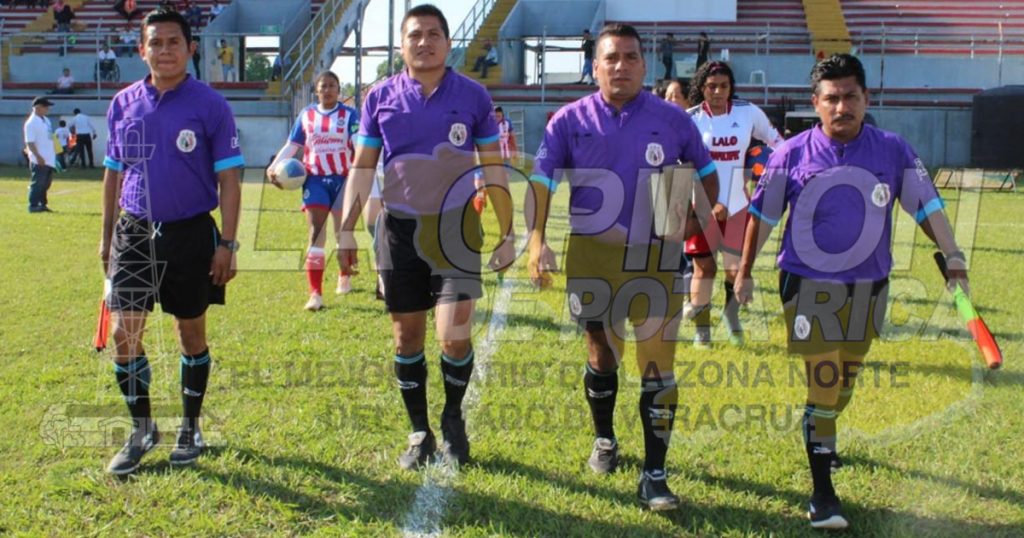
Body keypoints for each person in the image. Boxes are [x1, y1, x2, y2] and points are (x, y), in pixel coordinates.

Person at [735, 54, 968, 530]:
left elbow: (928, 205)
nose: (842, 106)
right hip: (806, 284)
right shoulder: (791, 154)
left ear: (865, 99)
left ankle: (826, 430)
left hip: (870, 283)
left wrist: (954, 254)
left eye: (851, 97)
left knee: (845, 380)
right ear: (816, 104)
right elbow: (761, 219)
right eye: (832, 98)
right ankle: (823, 494)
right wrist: (743, 273)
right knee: (822, 381)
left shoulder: (894, 150)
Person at [527, 23, 719, 511]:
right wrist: (535, 240)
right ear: (595, 67)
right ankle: (606, 438)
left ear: (644, 65)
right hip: (592, 256)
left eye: (631, 57)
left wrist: (685, 218)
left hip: (655, 257)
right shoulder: (567, 121)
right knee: (602, 355)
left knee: (658, 365)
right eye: (611, 58)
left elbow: (708, 176)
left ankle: (655, 473)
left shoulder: (673, 120)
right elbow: (542, 182)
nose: (621, 66)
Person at [338, 3, 516, 470]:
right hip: (398, 230)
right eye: (415, 34)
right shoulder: (378, 98)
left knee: (454, 337)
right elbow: (362, 168)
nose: (424, 41)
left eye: (433, 33)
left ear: (447, 42)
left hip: (457, 229)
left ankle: (453, 420)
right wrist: (345, 231)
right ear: (402, 45)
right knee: (406, 338)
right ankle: (420, 431)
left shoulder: (474, 97)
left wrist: (508, 232)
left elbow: (493, 167)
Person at [99, 8, 244, 475]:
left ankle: (190, 425)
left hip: (191, 234)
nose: (164, 51)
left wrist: (229, 243)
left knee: (191, 333)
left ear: (190, 49)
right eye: (155, 43)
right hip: (135, 233)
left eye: (173, 43)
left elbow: (231, 182)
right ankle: (142, 429)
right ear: (141, 49)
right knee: (125, 336)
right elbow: (112, 174)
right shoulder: (123, 103)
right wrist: (107, 239)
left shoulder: (210, 105)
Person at [682, 61, 783, 347]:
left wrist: (785, 167)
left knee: (734, 270)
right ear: (702, 87)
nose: (717, 91)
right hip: (701, 208)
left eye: (723, 86)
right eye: (711, 86)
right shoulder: (691, 120)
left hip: (738, 206)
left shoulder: (748, 112)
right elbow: (676, 163)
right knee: (704, 269)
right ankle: (702, 334)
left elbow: (777, 142)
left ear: (731, 88)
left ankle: (731, 317)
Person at [267, 71, 359, 310]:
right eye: (323, 86)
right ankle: (315, 294)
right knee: (316, 233)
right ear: (316, 91)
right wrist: (275, 165)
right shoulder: (307, 115)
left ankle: (344, 275)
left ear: (339, 90)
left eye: (332, 86)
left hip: (343, 180)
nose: (327, 90)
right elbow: (293, 145)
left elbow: (359, 146)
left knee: (342, 234)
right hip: (315, 180)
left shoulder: (350, 114)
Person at [24, 96, 57, 213]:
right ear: (38, 107)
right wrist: (38, 156)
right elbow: (30, 142)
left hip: (49, 157)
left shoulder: (46, 120)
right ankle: (33, 205)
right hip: (39, 158)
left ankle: (42, 204)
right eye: (45, 107)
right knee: (38, 182)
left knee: (46, 183)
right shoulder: (31, 123)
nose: (47, 109)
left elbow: (50, 137)